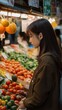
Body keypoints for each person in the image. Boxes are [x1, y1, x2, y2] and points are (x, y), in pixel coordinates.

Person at [17, 18, 61, 110]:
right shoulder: (50, 57)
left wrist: (25, 104)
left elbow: (39, 98)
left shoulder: (47, 62)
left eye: (31, 36)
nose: (30, 40)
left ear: (40, 36)